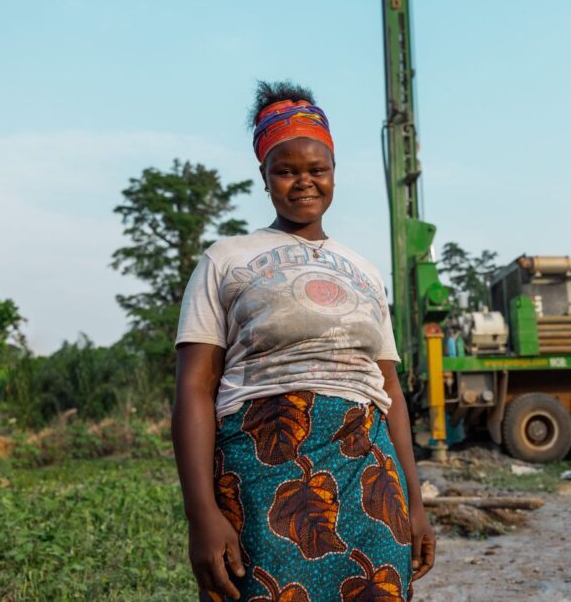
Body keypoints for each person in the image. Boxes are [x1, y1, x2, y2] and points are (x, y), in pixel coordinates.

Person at [172, 80, 435, 601]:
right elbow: (194, 389)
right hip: (261, 468)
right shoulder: (226, 259)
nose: (304, 183)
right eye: (286, 171)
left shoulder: (364, 270)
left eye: (317, 169)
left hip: (368, 470)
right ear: (265, 177)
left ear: (334, 171)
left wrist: (415, 500)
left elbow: (389, 389)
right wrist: (202, 514)